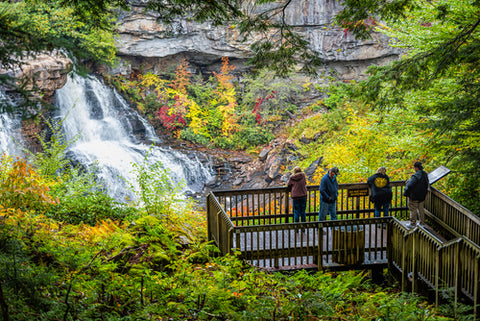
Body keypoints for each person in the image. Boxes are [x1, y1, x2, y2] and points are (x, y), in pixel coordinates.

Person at [403, 161, 429, 227]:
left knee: (413, 209)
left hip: (414, 196)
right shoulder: (425, 175)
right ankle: (422, 223)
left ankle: (413, 223)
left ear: (416, 168)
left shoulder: (415, 176)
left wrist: (406, 190)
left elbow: (410, 185)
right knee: (421, 209)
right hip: (422, 195)